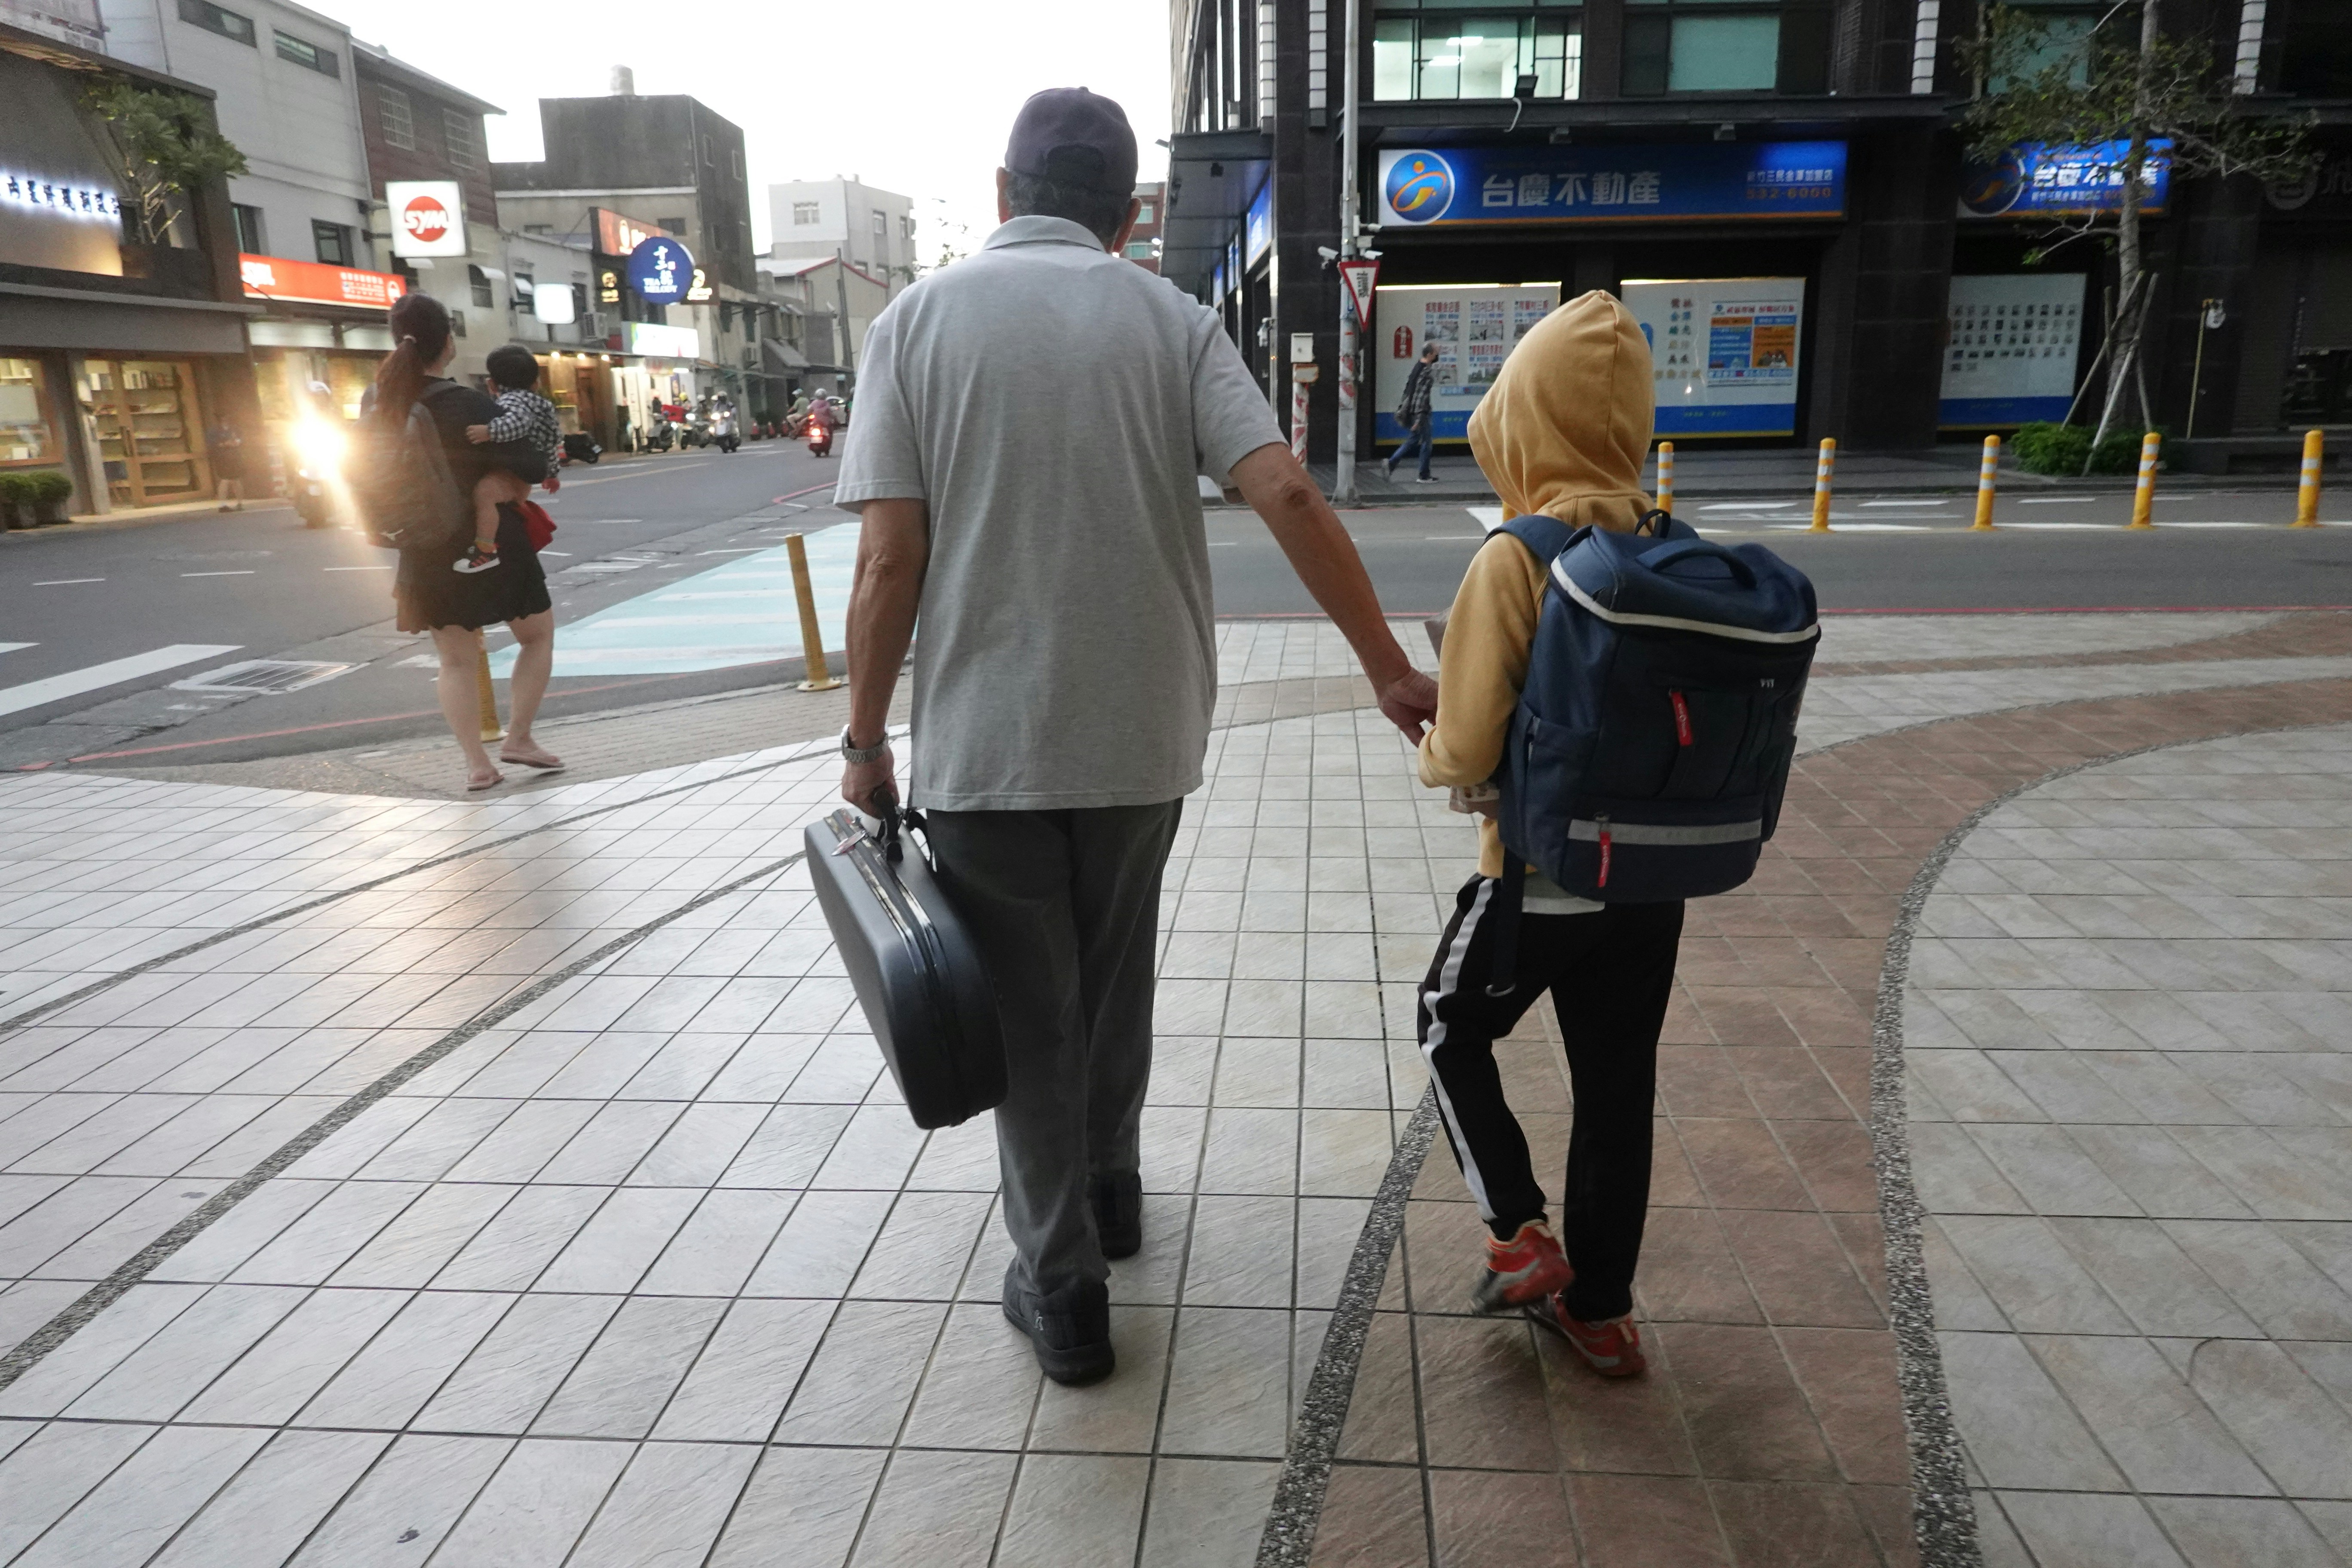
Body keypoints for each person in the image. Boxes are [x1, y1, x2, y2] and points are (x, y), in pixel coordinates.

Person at [835, 87, 1437, 1388]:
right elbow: (1281, 484)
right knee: (1112, 981)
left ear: (1004, 195)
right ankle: (1112, 1190)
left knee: (1030, 1016)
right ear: (1127, 216)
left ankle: (1065, 1287)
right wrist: (1389, 668)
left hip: (990, 745)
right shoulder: (1175, 322)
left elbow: (890, 560)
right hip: (1143, 731)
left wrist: (863, 740)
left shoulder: (916, 324)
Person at [1414, 290, 1680, 1378]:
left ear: (1519, 420)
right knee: (1617, 1088)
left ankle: (1518, 1233)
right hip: (1650, 885)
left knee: (1446, 1028)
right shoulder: (1666, 543)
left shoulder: (1516, 557)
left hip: (1537, 881)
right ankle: (1604, 1318)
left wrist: (1432, 743)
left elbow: (1467, 750)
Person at [371, 293, 564, 792]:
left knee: (455, 660)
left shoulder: (381, 402)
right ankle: (519, 737)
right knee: (536, 635)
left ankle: (478, 765)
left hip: (422, 543)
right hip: (493, 541)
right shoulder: (468, 403)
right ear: (448, 344)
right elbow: (531, 465)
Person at [458, 345, 563, 574]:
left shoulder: (512, 401)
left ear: (492, 385)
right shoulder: (537, 403)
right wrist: (552, 473)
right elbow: (550, 445)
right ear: (536, 383)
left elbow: (519, 421)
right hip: (529, 472)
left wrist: (490, 431)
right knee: (511, 505)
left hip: (514, 473)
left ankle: (485, 549)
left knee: (484, 495)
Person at [1385, 343, 1441, 483]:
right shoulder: (1426, 372)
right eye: (1436, 353)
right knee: (1427, 443)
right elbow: (1421, 396)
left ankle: (1391, 464)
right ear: (1429, 355)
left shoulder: (1417, 367)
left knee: (1414, 440)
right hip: (1421, 413)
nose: (1437, 356)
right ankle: (1424, 475)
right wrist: (1419, 418)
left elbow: (1409, 391)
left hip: (1413, 411)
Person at [206, 420, 245, 510]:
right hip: (222, 457)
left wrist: (238, 442)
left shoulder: (235, 429)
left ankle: (240, 504)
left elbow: (242, 438)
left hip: (235, 457)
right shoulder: (214, 431)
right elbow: (211, 443)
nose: (226, 420)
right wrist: (224, 444)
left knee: (236, 479)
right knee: (225, 480)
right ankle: (222, 505)